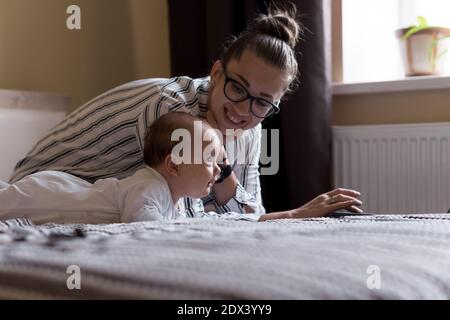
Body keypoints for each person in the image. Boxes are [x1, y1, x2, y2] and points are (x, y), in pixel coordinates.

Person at [8, 4, 362, 219]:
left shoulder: (253, 130)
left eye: (262, 102)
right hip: (43, 191)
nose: (242, 110)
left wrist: (289, 215)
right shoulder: (171, 109)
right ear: (217, 72)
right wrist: (291, 215)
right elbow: (188, 215)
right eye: (237, 88)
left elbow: (246, 215)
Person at [0, 113, 223, 224]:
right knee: (8, 200)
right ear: (173, 164)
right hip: (49, 196)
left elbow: (199, 223)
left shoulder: (177, 200)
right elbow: (143, 224)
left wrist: (246, 220)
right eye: (209, 160)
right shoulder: (150, 186)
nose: (218, 169)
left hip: (64, 190)